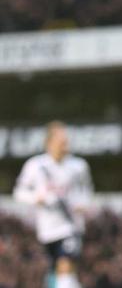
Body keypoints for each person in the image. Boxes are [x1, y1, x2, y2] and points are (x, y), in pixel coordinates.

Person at [12, 121, 94, 288]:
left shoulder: (78, 166)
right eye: (60, 141)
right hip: (47, 229)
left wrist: (83, 204)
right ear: (49, 142)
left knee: (65, 265)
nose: (65, 144)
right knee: (61, 272)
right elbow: (19, 192)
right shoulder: (35, 166)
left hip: (71, 225)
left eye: (66, 140)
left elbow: (87, 191)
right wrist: (37, 198)